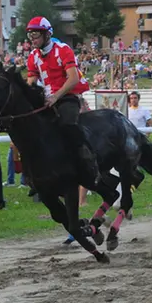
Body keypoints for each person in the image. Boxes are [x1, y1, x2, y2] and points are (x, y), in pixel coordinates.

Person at [25, 16, 99, 186]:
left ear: (47, 35)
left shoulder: (63, 49)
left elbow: (73, 79)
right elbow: (31, 83)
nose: (33, 40)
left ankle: (88, 160)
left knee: (67, 125)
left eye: (36, 35)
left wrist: (56, 96)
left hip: (67, 97)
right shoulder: (32, 56)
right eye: (30, 36)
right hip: (47, 99)